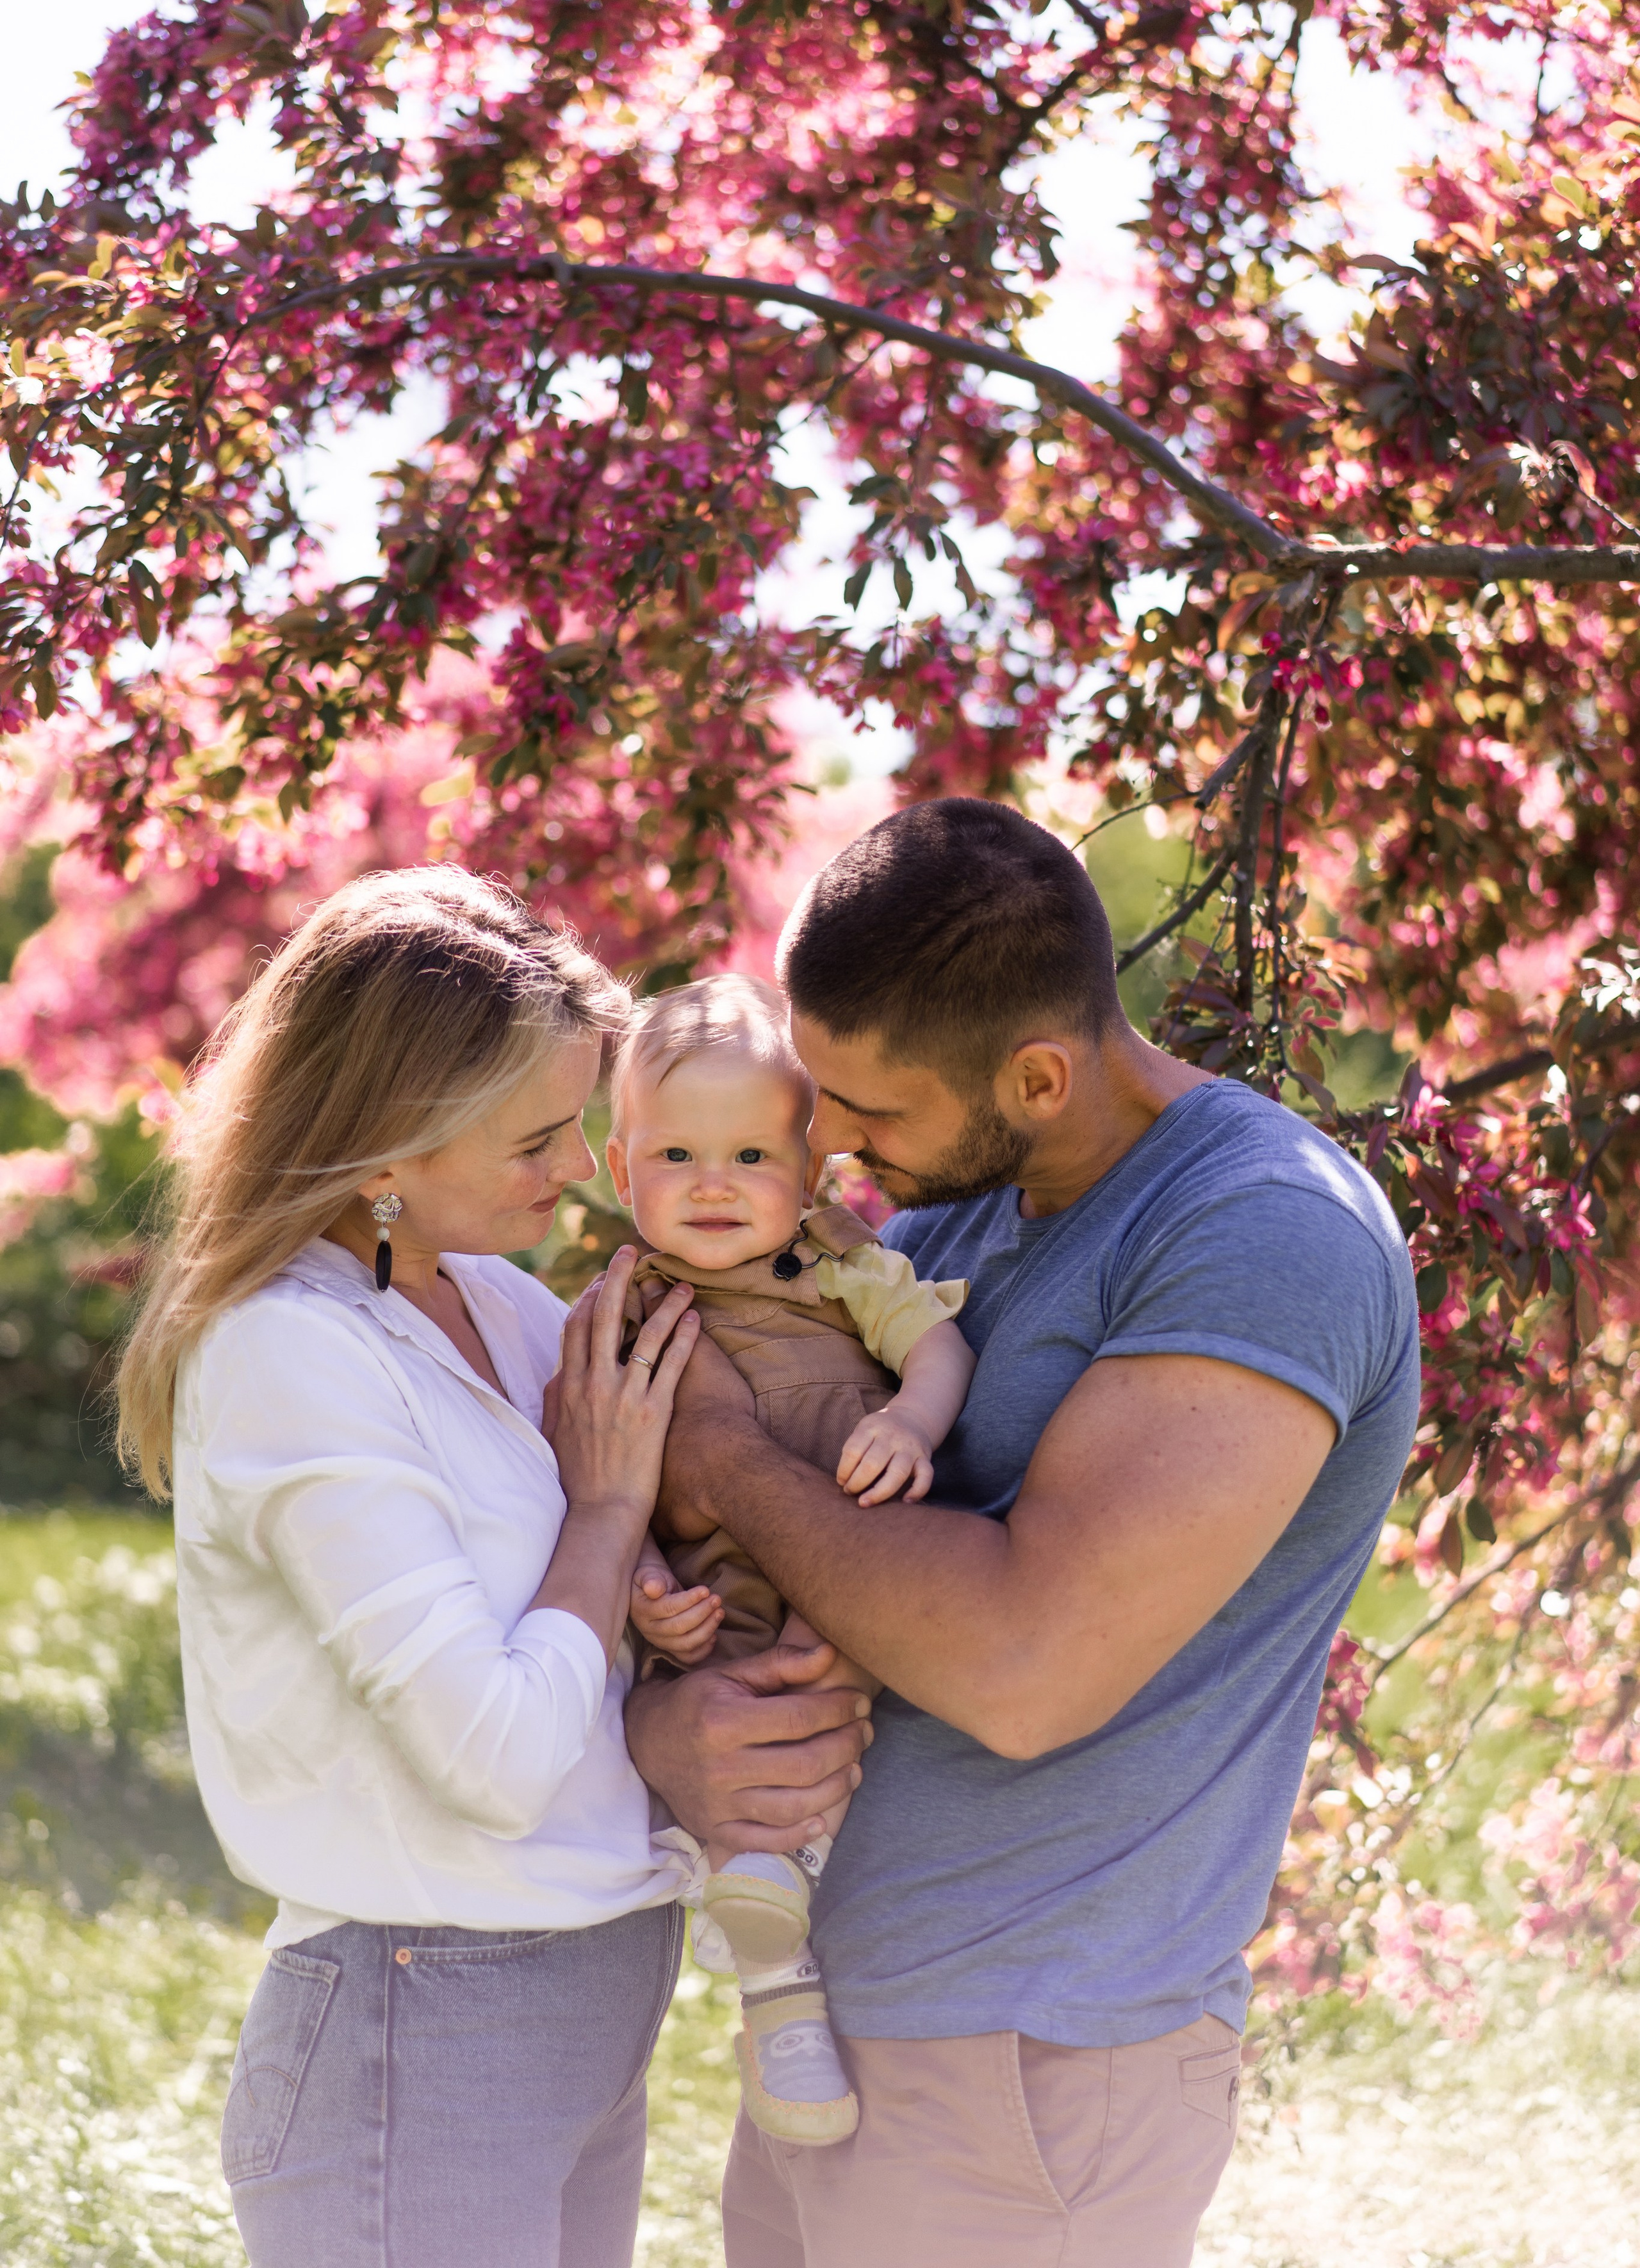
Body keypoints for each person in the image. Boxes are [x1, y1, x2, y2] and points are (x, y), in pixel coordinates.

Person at [627, 796, 1422, 2268]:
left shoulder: (1263, 1231)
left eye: (868, 1112)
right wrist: (675, 1728)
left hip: (1027, 2063)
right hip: (838, 2036)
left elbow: (1021, 1667)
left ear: (1037, 1076)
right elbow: (787, 1566)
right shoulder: (944, 1220)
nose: (828, 1146)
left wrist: (720, 1456)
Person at [115, 865, 705, 2268]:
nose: (581, 1169)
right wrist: (607, 1514)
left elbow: (586, 1637)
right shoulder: (287, 1350)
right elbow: (494, 1756)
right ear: (383, 1154)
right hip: (426, 2018)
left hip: (591, 1987)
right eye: (536, 1139)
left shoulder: (501, 1303)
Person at [607, 973, 974, 2145]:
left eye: (753, 1157)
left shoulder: (840, 1265)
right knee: (738, 1724)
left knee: (829, 1698)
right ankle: (779, 1997)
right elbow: (592, 1481)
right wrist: (642, 1585)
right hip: (714, 1592)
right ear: (620, 1171)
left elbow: (939, 1347)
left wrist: (909, 1421)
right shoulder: (621, 1310)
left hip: (850, 1552)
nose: (713, 1184)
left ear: (811, 1171)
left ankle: (785, 1888)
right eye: (675, 1155)